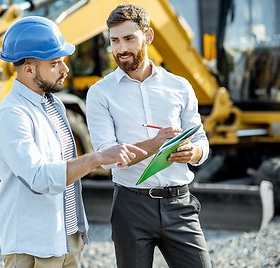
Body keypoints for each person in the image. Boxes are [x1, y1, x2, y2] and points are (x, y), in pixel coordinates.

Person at [0, 16, 147, 268]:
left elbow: (65, 172)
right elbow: (39, 178)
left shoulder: (55, 106)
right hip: (34, 250)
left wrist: (77, 230)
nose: (65, 69)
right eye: (55, 63)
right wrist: (96, 158)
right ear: (28, 69)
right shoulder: (12, 115)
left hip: (67, 239)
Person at [86, 4, 212, 268]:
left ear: (148, 36)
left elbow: (201, 141)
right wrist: (155, 144)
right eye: (115, 41)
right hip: (131, 206)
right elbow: (107, 158)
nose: (121, 49)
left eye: (129, 38)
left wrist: (194, 152)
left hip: (180, 205)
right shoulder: (100, 93)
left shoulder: (179, 86)